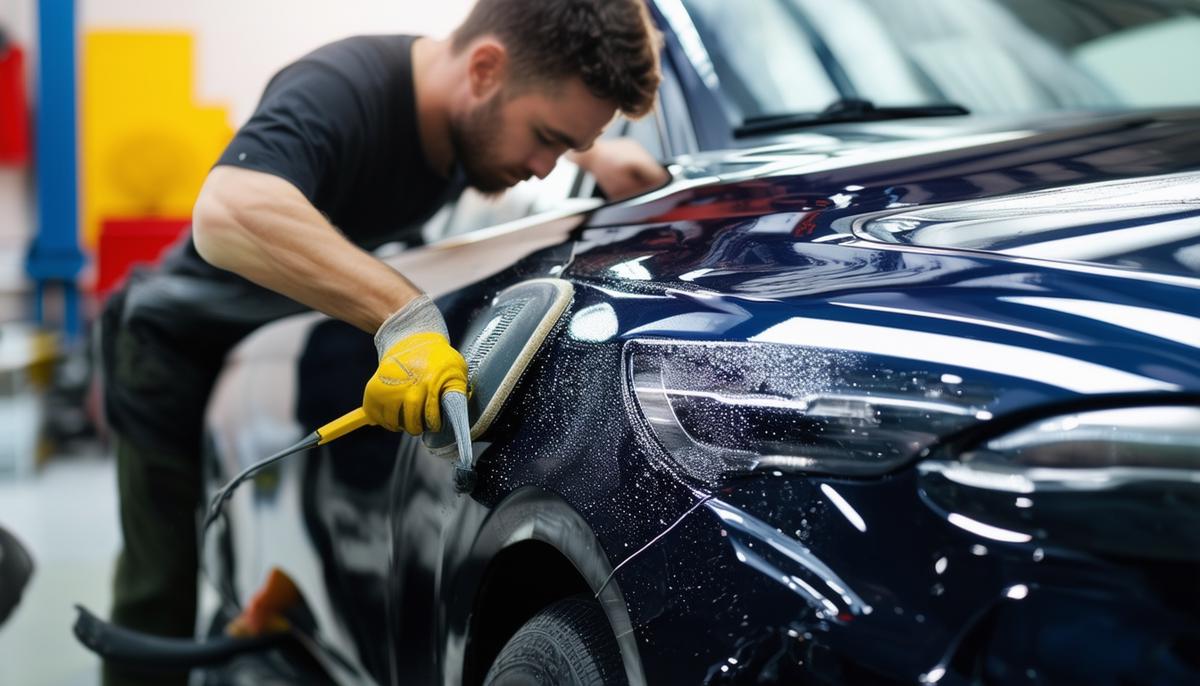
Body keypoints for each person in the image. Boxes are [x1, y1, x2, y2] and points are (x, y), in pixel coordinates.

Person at [95, 1, 665, 684]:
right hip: (173, 342)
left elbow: (531, 103)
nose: (545, 168)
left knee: (253, 568)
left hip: (266, 340)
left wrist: (599, 155)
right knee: (158, 593)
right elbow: (227, 212)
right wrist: (404, 315)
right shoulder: (346, 86)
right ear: (485, 69)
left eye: (564, 148)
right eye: (546, 137)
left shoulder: (482, 107)